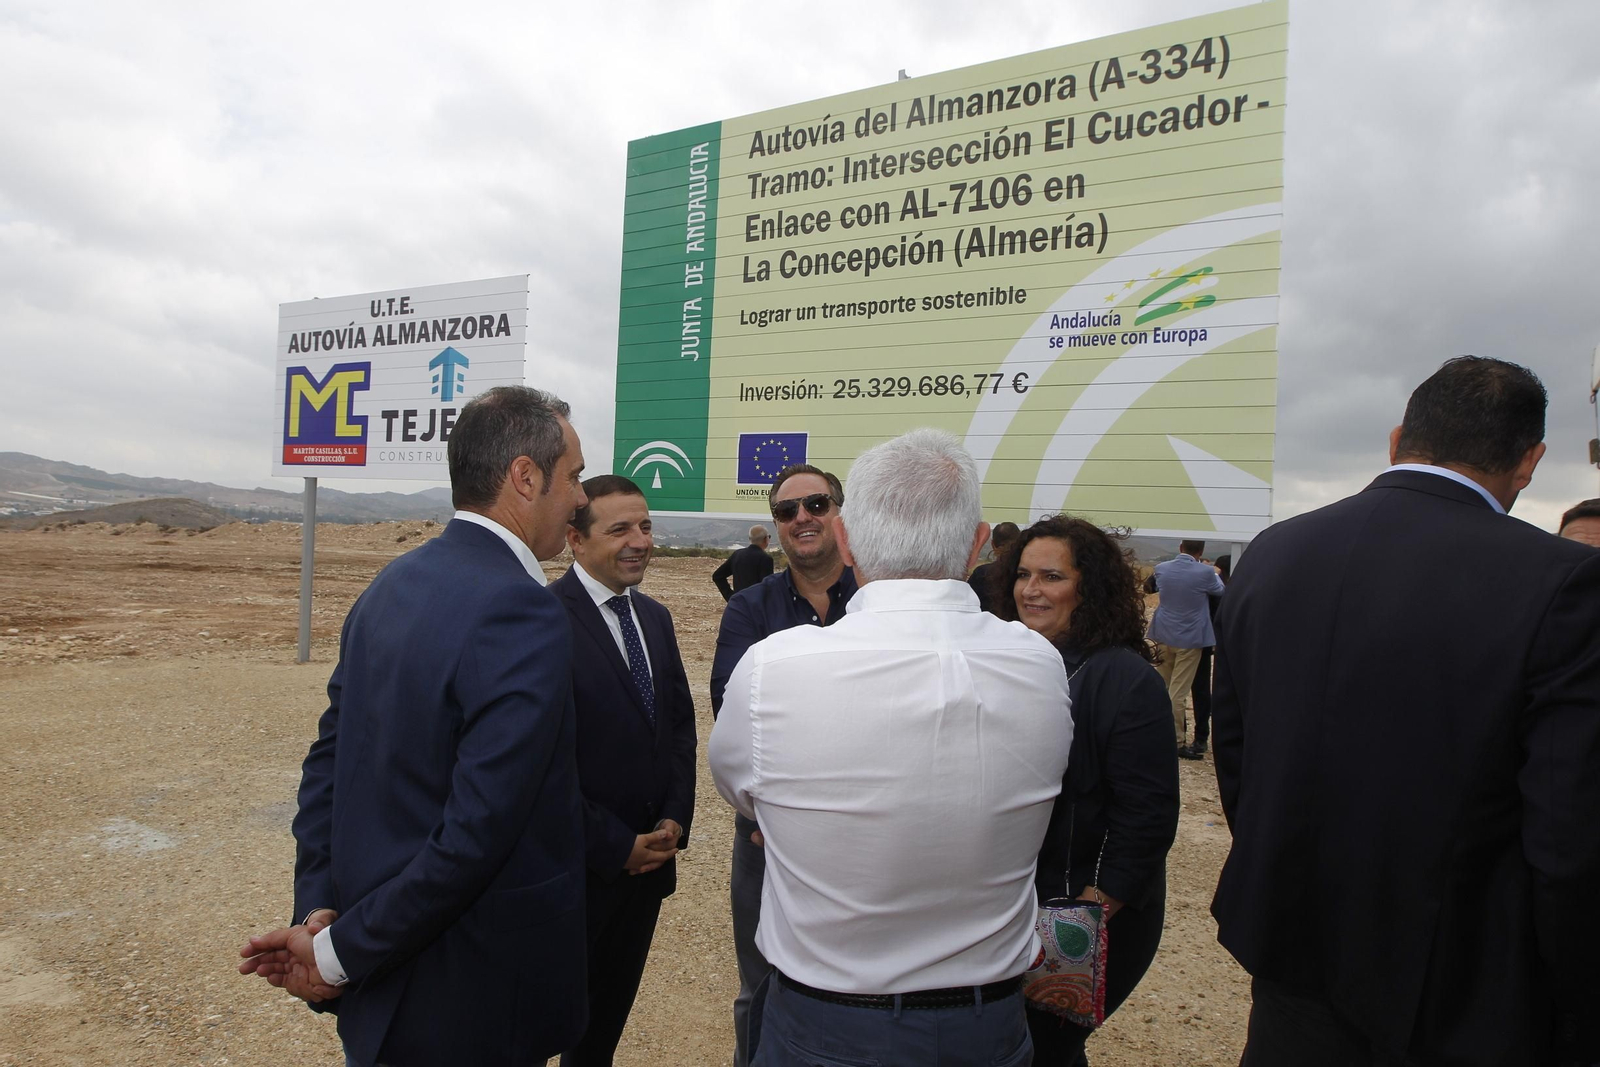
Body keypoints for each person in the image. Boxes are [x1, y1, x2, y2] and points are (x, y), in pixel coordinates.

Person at [1211, 356, 1600, 1066]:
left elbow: (1240, 759)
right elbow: (1568, 830)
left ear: (1397, 439)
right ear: (1531, 460)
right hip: (1468, 985)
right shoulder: (1564, 581)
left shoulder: (1272, 553)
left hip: (1293, 956)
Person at [237, 386, 592, 1067]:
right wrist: (336, 950)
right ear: (526, 476)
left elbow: (326, 767)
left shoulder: (390, 584)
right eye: (573, 475)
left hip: (384, 985)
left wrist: (318, 909)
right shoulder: (524, 612)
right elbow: (477, 832)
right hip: (469, 1001)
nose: (580, 496)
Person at [709, 429, 1072, 1067]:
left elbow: (742, 791)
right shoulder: (1040, 663)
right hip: (990, 1027)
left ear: (845, 538)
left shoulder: (772, 668)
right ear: (979, 544)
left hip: (826, 1026)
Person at [997, 516, 1180, 1066]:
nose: (1032, 590)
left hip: (1088, 912)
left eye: (1051, 576)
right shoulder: (1012, 663)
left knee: (1046, 1045)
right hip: (1017, 908)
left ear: (1089, 587)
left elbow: (1146, 818)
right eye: (1024, 574)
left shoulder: (1125, 680)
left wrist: (1082, 919)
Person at [709, 463, 859, 1067]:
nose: (802, 517)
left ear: (839, 514)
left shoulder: (877, 600)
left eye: (816, 504)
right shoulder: (749, 609)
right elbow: (733, 713)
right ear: (774, 527)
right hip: (766, 835)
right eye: (786, 511)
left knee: (859, 986)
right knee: (761, 986)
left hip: (865, 832)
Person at [552, 475, 696, 1067]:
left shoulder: (655, 618)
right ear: (575, 541)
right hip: (572, 876)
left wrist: (673, 817)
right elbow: (540, 765)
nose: (640, 541)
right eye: (619, 530)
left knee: (600, 1036)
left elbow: (679, 729)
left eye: (645, 526)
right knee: (546, 1028)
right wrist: (616, 846)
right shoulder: (542, 620)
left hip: (646, 877)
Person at [1144, 539, 1224, 750]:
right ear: (1201, 551)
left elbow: (1152, 587)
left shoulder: (1161, 568)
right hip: (1191, 639)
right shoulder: (1205, 573)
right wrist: (1213, 572)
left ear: (1180, 548)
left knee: (1163, 687)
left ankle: (1158, 734)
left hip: (1162, 634)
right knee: (1178, 694)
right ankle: (1177, 740)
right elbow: (1221, 591)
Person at [1182, 554, 1231, 760]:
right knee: (1200, 690)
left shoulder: (1213, 585)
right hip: (1205, 639)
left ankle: (1197, 736)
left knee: (1194, 689)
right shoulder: (1217, 586)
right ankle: (1201, 737)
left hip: (1200, 639)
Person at [967, 520, 1020, 613]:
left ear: (993, 544)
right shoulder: (1024, 573)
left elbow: (969, 603)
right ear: (1020, 543)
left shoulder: (981, 574)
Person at [713, 525, 776, 600]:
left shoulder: (737, 554)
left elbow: (717, 576)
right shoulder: (766, 559)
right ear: (766, 539)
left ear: (750, 539)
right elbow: (767, 588)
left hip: (738, 606)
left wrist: (730, 597)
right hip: (756, 607)